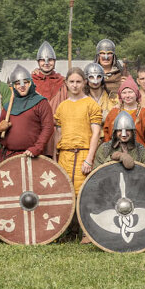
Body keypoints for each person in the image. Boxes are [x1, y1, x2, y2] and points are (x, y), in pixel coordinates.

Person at [52, 68, 102, 196]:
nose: (75, 85)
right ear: (66, 83)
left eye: (78, 82)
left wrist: (89, 159)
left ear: (84, 82)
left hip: (83, 155)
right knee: (64, 194)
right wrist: (54, 158)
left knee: (84, 195)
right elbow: (58, 133)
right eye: (72, 81)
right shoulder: (62, 106)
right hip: (64, 157)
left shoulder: (91, 104)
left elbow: (96, 133)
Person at [0, 65, 54, 160]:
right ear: (14, 86)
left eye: (25, 82)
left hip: (31, 155)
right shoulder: (8, 106)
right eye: (18, 83)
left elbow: (48, 128)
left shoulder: (41, 103)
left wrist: (37, 148)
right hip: (8, 156)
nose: (22, 86)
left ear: (31, 83)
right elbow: (0, 133)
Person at [104, 77, 145, 161]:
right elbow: (107, 137)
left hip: (139, 157)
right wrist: (110, 154)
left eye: (130, 92)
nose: (127, 95)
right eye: (124, 93)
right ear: (120, 95)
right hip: (116, 157)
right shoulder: (113, 113)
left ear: (136, 93)